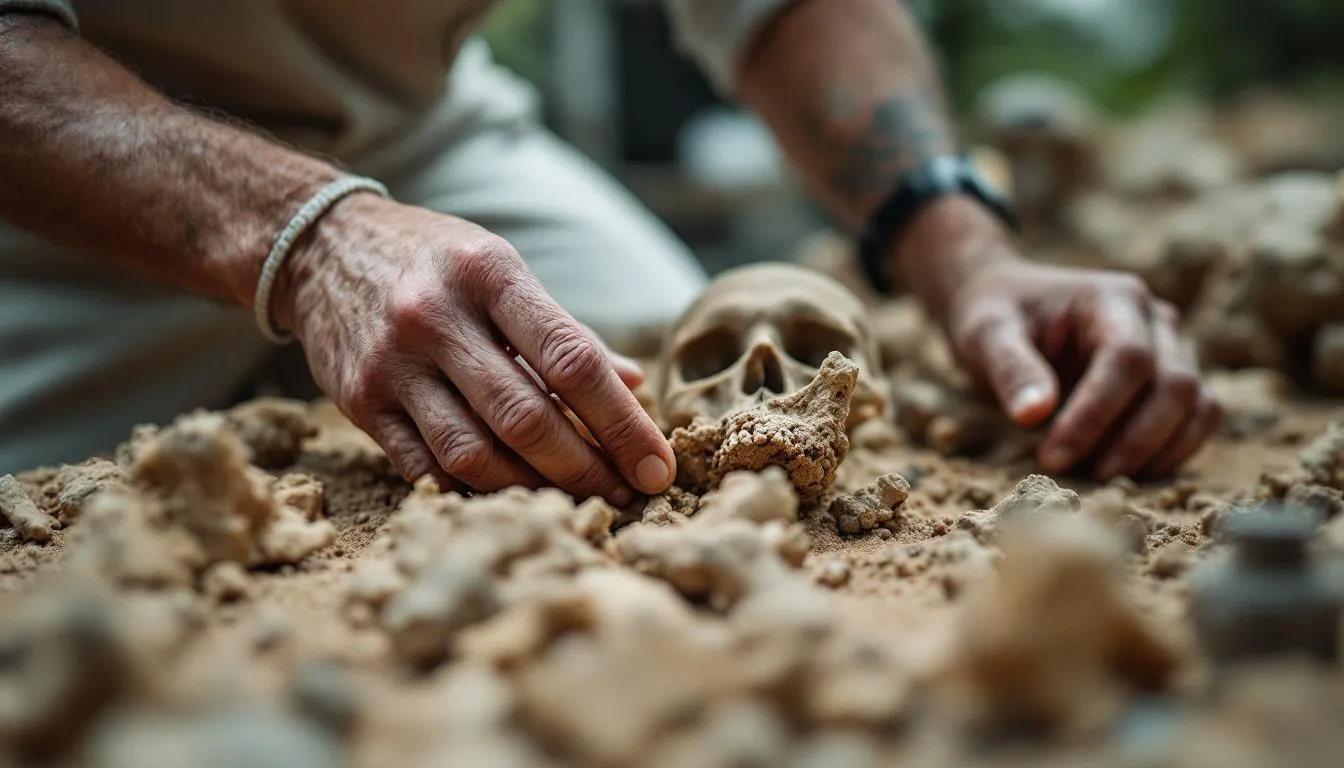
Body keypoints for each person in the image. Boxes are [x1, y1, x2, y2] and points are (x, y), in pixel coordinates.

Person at [0, 0, 1220, 501]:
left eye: (795, 360)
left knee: (642, 344)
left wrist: (960, 245)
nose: (761, 394)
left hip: (424, 135)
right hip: (55, 202)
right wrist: (310, 245)